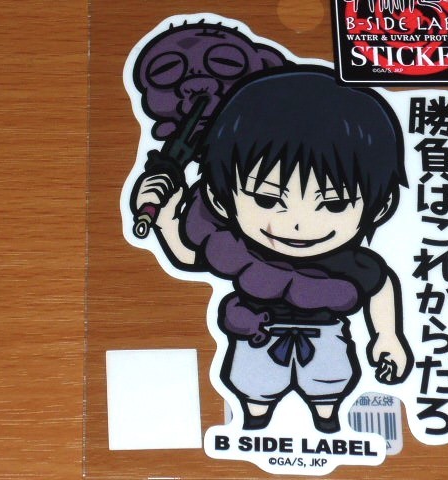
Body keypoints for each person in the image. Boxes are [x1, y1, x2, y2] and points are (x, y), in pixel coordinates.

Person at [132, 65, 412, 433]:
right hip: (255, 334)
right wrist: (168, 218)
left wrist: (388, 336)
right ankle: (253, 421)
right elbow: (189, 256)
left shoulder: (351, 263)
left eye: (333, 204)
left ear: (380, 205)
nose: (298, 224)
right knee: (254, 386)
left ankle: (328, 421)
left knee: (328, 385)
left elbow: (380, 285)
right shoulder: (234, 246)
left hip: (326, 335)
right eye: (267, 199)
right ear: (219, 197)